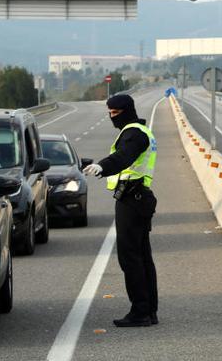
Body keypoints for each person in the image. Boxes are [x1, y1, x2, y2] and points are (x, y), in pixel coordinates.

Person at [83, 94, 158, 327]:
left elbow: (123, 157)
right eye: (109, 113)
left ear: (126, 111)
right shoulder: (139, 132)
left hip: (132, 199)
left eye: (114, 113)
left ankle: (140, 312)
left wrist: (101, 166)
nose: (111, 117)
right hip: (138, 197)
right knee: (142, 257)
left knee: (130, 258)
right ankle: (149, 310)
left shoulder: (133, 134)